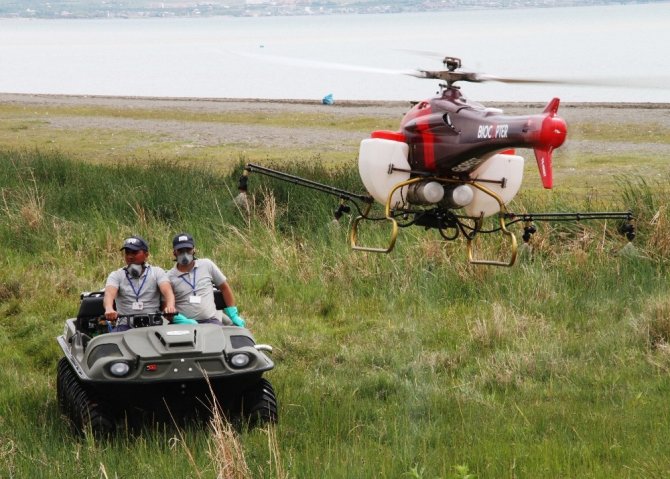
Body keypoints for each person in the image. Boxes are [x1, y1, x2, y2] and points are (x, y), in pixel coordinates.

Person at [167, 232, 246, 327]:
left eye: (188, 250)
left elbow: (224, 288)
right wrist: (176, 318)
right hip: (183, 324)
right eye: (181, 250)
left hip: (210, 321)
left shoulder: (207, 265)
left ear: (194, 250)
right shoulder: (169, 276)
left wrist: (233, 314)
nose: (185, 254)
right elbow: (165, 304)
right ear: (174, 252)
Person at [103, 235, 176, 331]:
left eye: (135, 252)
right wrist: (109, 308)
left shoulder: (157, 272)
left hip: (153, 325)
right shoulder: (116, 275)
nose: (130, 256)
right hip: (125, 325)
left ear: (146, 255)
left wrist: (170, 306)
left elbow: (168, 292)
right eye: (127, 253)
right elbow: (109, 294)